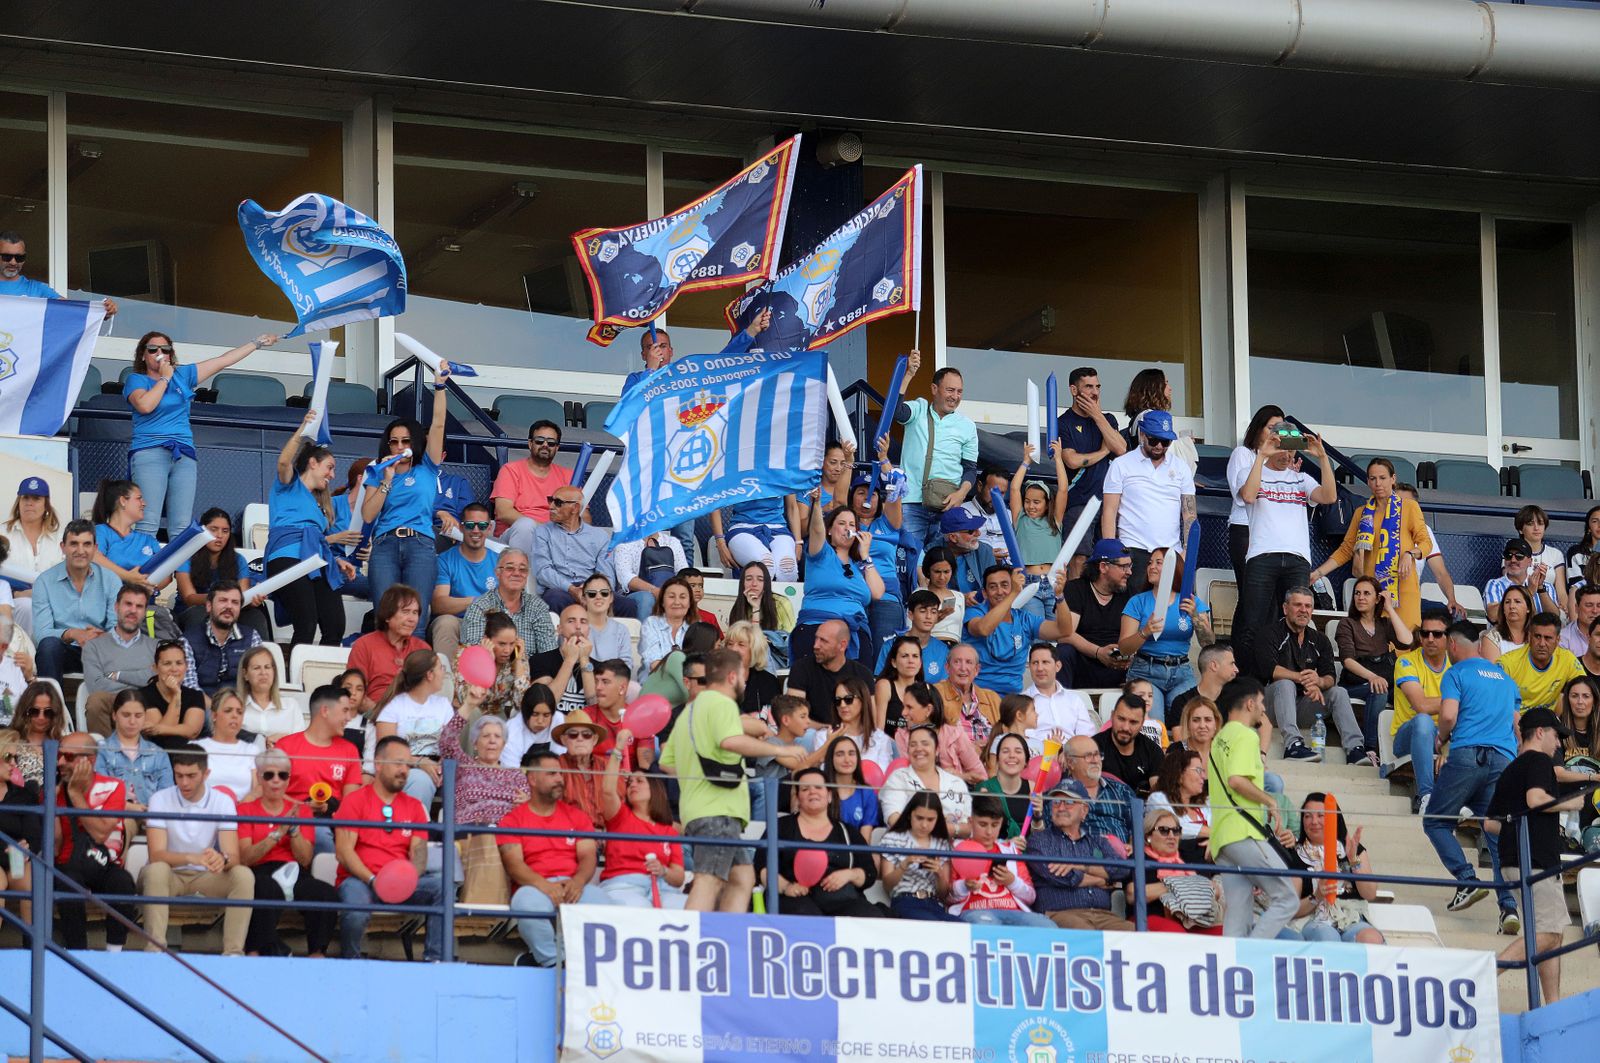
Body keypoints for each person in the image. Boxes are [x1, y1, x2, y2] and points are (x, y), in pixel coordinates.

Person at [659, 648, 802, 912]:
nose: (746, 683)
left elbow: (666, 763)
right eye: (745, 676)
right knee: (708, 880)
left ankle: (727, 938)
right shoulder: (722, 703)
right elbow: (730, 741)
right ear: (734, 676)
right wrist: (780, 749)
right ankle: (688, 946)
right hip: (718, 811)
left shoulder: (689, 711)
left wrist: (698, 782)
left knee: (742, 878)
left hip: (700, 811)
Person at [123, 330, 277, 536]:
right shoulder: (137, 379)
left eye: (165, 349)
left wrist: (256, 343)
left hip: (183, 454)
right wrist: (165, 379)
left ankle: (181, 570)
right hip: (150, 452)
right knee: (147, 523)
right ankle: (143, 569)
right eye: (153, 349)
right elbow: (145, 405)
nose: (159, 353)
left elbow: (223, 361)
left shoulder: (183, 375)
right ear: (143, 355)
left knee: (181, 527)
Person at [1426, 621, 1521, 932]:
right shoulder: (1507, 681)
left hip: (1469, 754)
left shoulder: (1456, 673)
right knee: (1494, 835)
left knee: (1436, 820)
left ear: (1453, 645)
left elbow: (1449, 714)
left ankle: (1467, 880)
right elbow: (1518, 727)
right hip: (1504, 761)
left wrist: (1441, 738)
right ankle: (1509, 909)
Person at [1487, 707, 1584, 1001]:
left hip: (1515, 861)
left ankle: (1551, 1006)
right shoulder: (1540, 760)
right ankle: (1482, 976)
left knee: (1553, 934)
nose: (1559, 744)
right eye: (1556, 736)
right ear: (1540, 733)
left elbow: (1490, 824)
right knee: (1549, 935)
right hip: (1536, 862)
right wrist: (1571, 803)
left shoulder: (1511, 769)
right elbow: (1535, 799)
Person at [1231, 420, 1337, 656]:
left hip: (1297, 558)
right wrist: (1261, 456)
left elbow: (1329, 496)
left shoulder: (1302, 479)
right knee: (1253, 621)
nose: (1287, 454)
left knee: (1295, 623)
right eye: (1281, 446)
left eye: (1291, 447)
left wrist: (1322, 458)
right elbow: (1248, 496)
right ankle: (1249, 681)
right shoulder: (1248, 472)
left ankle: (1287, 676)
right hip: (1261, 555)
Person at [335, 735, 445, 962]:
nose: (404, 770)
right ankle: (350, 963)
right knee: (354, 908)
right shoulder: (355, 800)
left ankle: (435, 963)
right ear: (378, 764)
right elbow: (344, 853)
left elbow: (419, 854)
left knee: (440, 887)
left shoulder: (414, 806)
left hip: (400, 885)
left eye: (407, 764)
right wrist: (375, 880)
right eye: (397, 763)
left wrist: (404, 880)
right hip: (362, 880)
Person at [1206, 677, 1299, 939]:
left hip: (1222, 838)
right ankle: (1250, 956)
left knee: (1238, 915)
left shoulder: (1220, 737)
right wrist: (1270, 801)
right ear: (1249, 704)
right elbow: (1236, 780)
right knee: (1287, 899)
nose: (1264, 709)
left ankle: (1232, 968)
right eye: (1261, 703)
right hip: (1243, 832)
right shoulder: (1247, 735)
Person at [140, 745, 254, 955]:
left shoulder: (223, 801)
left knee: (243, 875)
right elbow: (156, 855)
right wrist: (191, 857)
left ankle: (233, 953)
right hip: (169, 876)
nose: (184, 782)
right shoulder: (160, 799)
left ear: (206, 773)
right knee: (157, 870)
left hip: (204, 875)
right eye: (179, 775)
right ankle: (155, 950)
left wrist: (222, 859)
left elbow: (233, 856)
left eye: (191, 776)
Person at [363, 368, 452, 636]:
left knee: (417, 619)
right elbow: (368, 515)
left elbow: (438, 425)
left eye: (405, 441)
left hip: (421, 544)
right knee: (385, 617)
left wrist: (439, 387)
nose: (400, 446)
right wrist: (386, 480)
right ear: (387, 445)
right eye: (394, 442)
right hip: (385, 545)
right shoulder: (377, 471)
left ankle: (414, 677)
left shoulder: (426, 467)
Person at [265, 419, 358, 648]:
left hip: (316, 561)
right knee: (306, 622)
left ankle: (327, 682)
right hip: (286, 557)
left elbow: (314, 542)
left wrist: (335, 560)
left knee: (335, 623)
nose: (333, 475)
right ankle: (295, 676)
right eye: (330, 467)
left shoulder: (319, 504)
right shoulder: (289, 484)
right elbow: (284, 461)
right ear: (313, 463)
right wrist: (302, 430)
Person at [1310, 458, 1432, 631]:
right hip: (1372, 592)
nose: (1378, 483)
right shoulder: (1362, 512)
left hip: (1403, 590)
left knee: (1405, 643)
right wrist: (1319, 573)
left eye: (1382, 478)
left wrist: (1410, 554)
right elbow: (1346, 549)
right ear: (1367, 481)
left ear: (1393, 479)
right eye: (1373, 479)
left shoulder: (1409, 507)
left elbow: (1426, 543)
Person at [237, 747, 338, 957]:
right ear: (259, 778)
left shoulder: (302, 811)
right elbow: (246, 858)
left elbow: (305, 858)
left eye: (282, 775)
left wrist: (293, 830)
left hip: (294, 870)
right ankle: (257, 951)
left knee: (325, 894)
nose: (276, 780)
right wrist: (276, 833)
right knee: (265, 889)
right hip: (261, 870)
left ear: (288, 779)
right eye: (269, 775)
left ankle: (317, 954)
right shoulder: (245, 810)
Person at [1252, 586, 1369, 765]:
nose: (1303, 610)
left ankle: (1355, 749)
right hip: (1268, 708)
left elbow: (1330, 676)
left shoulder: (1320, 639)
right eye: (1298, 605)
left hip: (1302, 706)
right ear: (1285, 608)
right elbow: (1269, 670)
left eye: (1307, 606)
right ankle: (1293, 745)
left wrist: (1319, 682)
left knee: (1339, 692)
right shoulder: (1270, 633)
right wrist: (1301, 678)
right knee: (1285, 684)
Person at [52, 733, 139, 952]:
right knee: (67, 883)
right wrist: (52, 802)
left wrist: (75, 794)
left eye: (68, 757)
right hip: (68, 865)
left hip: (101, 862)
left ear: (89, 761)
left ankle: (113, 954)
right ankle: (78, 954)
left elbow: (101, 833)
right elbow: (55, 845)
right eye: (59, 755)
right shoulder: (52, 793)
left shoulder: (114, 786)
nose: (60, 762)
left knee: (123, 881)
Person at [1100, 410, 1196, 595]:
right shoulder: (1122, 464)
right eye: (1154, 440)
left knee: (1175, 612)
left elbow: (1189, 514)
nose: (1159, 446)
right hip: (1133, 550)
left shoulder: (1181, 467)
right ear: (1142, 434)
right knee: (1133, 613)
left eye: (1166, 441)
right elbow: (1109, 512)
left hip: (1171, 551)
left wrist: (1187, 552)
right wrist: (1113, 553)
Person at [891, 353, 979, 549]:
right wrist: (908, 375)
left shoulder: (968, 425)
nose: (955, 396)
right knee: (910, 561)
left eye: (959, 391)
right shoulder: (919, 409)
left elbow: (970, 469)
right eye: (950, 390)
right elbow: (895, 411)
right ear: (934, 389)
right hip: (912, 502)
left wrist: (961, 494)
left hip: (948, 506)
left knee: (941, 566)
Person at [770, 768, 884, 917]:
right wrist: (786, 887)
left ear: (829, 796)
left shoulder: (848, 832)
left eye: (818, 787)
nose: (812, 792)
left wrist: (850, 874)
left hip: (844, 899)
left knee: (873, 917)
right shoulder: (780, 827)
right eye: (805, 789)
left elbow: (869, 873)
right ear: (797, 798)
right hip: (795, 899)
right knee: (806, 916)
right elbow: (763, 867)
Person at [1116, 547, 1212, 721]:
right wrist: (1144, 632)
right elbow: (1123, 648)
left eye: (1159, 563)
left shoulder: (1191, 601)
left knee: (1190, 720)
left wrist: (1195, 617)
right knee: (1154, 724)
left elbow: (1208, 643)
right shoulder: (1138, 601)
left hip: (1181, 672)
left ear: (1173, 568)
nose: (1151, 566)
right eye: (1150, 563)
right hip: (1146, 671)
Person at [794, 489, 884, 664]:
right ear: (829, 530)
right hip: (816, 627)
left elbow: (878, 593)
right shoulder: (821, 553)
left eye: (852, 525)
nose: (848, 528)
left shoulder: (859, 566)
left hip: (854, 634)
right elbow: (817, 529)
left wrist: (865, 555)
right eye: (842, 523)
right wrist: (817, 504)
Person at [1283, 793, 1385, 945]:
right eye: (1308, 816)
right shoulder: (1295, 855)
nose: (1314, 821)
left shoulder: (1352, 849)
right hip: (1314, 919)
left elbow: (1369, 893)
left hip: (1351, 918)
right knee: (1327, 938)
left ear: (1333, 819)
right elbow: (1293, 909)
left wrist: (1353, 861)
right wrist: (1317, 896)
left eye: (1321, 816)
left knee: (1372, 938)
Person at [596, 741, 686, 909]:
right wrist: (618, 749)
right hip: (623, 885)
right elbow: (608, 791)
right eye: (630, 783)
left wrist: (663, 870)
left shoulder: (669, 831)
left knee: (683, 908)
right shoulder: (620, 816)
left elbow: (679, 877)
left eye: (639, 781)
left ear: (654, 788)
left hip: (663, 888)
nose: (632, 785)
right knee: (639, 910)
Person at [275, 685, 364, 853]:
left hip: (332, 823)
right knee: (318, 833)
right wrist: (305, 806)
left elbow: (351, 803)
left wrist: (330, 809)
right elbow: (272, 792)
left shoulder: (349, 750)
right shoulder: (286, 746)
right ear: (325, 711)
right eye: (344, 710)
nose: (348, 717)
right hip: (291, 821)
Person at [964, 565, 1074, 696]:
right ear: (984, 593)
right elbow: (983, 629)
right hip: (979, 696)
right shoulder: (975, 613)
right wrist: (1013, 594)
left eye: (1005, 585)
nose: (999, 591)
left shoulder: (1024, 619)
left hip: (1013, 700)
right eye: (993, 587)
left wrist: (1059, 595)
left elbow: (1064, 630)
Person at [1336, 576, 1415, 756]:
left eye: (1366, 593)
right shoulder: (1347, 624)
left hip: (1382, 682)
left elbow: (1407, 641)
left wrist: (1389, 609)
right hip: (1353, 685)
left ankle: (1406, 747)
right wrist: (1372, 677)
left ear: (1377, 598)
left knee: (1409, 692)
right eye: (1357, 593)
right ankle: (1370, 749)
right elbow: (1347, 660)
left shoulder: (1384, 624)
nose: (1360, 597)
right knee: (1379, 689)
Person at [32, 518, 119, 681]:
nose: (80, 550)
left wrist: (101, 637)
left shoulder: (111, 580)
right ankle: (51, 705)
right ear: (63, 547)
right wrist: (73, 633)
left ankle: (112, 705)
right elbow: (41, 634)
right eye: (74, 544)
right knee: (48, 646)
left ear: (95, 548)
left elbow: (116, 626)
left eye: (86, 544)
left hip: (100, 650)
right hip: (65, 651)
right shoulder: (44, 582)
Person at [946, 795, 1052, 927]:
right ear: (970, 821)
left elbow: (1030, 897)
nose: (989, 831)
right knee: (987, 925)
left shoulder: (1011, 850)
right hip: (974, 912)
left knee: (1046, 926)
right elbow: (947, 897)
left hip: (1015, 913)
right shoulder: (957, 849)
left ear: (1001, 822)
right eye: (983, 824)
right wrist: (965, 886)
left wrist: (1012, 881)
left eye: (995, 825)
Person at [1055, 366, 1128, 547]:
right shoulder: (1063, 422)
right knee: (1078, 558)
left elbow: (1121, 449)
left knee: (1109, 560)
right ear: (1074, 390)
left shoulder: (1108, 419)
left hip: (1109, 503)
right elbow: (1072, 461)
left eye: (1097, 387)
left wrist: (1097, 416)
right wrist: (1104, 452)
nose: (1095, 392)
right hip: (1079, 501)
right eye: (1088, 387)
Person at [848, 453, 910, 658]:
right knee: (858, 656)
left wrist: (884, 459)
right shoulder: (843, 522)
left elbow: (895, 493)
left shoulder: (888, 524)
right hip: (853, 593)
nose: (867, 498)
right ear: (852, 497)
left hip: (886, 596)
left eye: (872, 494)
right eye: (861, 492)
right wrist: (848, 458)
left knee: (886, 657)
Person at [1392, 611, 1453, 815]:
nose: (1429, 639)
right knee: (1423, 720)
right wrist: (1458, 701)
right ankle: (1426, 796)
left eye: (1436, 634)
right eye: (1424, 633)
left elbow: (1468, 713)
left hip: (1444, 735)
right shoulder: (1406, 662)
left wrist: (1447, 748)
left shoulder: (1457, 667)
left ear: (1449, 637)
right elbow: (1422, 706)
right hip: (1406, 737)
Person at [375, 649, 453, 808]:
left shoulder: (443, 705)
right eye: (440, 668)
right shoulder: (394, 708)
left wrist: (443, 766)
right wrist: (419, 762)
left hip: (437, 767)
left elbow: (450, 746)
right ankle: (414, 829)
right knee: (420, 780)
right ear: (429, 675)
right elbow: (386, 752)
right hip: (403, 767)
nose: (443, 673)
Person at [174, 508, 266, 640]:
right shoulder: (186, 556)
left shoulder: (238, 559)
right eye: (213, 529)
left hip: (227, 611)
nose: (219, 535)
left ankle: (259, 658)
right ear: (203, 530)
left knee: (254, 615)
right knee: (199, 613)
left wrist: (253, 600)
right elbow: (189, 598)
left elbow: (243, 595)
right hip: (192, 611)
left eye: (225, 531)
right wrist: (218, 598)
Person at [82, 583, 159, 734]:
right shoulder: (93, 646)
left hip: (146, 706)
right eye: (128, 604)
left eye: (139, 606)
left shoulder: (156, 647)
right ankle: (106, 755)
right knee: (96, 701)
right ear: (116, 607)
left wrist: (116, 675)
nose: (132, 610)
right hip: (111, 703)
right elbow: (96, 684)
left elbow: (156, 682)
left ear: (144, 612)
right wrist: (137, 683)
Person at [1059, 538, 1135, 690]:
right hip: (1083, 662)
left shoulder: (1129, 593)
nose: (1129, 572)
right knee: (1063, 650)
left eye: (1130, 565)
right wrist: (1098, 652)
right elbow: (1065, 633)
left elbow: (1133, 636)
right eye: (1123, 566)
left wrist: (1129, 655)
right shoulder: (1076, 589)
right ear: (1103, 567)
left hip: (1118, 664)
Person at [1135, 807, 1224, 935]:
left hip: (1193, 920)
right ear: (1148, 835)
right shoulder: (1140, 857)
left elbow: (1212, 891)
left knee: (1223, 933)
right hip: (1150, 917)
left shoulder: (1188, 853)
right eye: (1164, 831)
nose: (1171, 836)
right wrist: (1181, 885)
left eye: (1176, 831)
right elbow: (1132, 893)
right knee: (1176, 933)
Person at [429, 501, 499, 663]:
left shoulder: (500, 561)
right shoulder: (445, 560)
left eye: (482, 525)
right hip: (457, 622)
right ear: (460, 527)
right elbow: (439, 603)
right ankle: (448, 683)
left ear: (489, 528)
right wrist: (478, 601)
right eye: (470, 525)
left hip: (490, 624)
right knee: (445, 622)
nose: (476, 530)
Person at [531, 485, 617, 614]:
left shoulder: (600, 536)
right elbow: (543, 571)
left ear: (575, 508)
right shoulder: (542, 532)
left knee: (627, 605)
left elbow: (606, 575)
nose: (551, 506)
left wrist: (591, 590)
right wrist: (571, 589)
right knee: (555, 598)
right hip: (559, 588)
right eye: (551, 500)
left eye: (558, 503)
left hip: (591, 588)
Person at [1225, 404, 1287, 582]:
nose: (1276, 433)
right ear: (1258, 428)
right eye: (1271, 428)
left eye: (1280, 429)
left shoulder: (1281, 462)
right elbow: (1243, 498)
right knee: (1249, 591)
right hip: (1245, 528)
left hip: (1271, 531)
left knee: (1269, 596)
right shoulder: (1243, 454)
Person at [459, 549, 559, 658]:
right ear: (497, 573)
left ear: (527, 575)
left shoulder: (537, 607)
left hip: (532, 672)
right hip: (490, 670)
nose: (517, 573)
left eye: (522, 569)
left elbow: (549, 655)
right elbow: (473, 656)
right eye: (510, 568)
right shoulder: (479, 607)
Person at [347, 586, 432, 714]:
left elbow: (429, 694)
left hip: (414, 722)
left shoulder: (423, 649)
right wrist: (384, 717)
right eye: (405, 611)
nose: (412, 619)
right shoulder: (364, 645)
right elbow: (355, 694)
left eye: (415, 613)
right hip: (373, 717)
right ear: (387, 616)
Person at [880, 723, 974, 837]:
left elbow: (970, 827)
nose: (919, 749)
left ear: (937, 749)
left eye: (925, 744)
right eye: (913, 745)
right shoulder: (897, 779)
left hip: (953, 849)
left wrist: (951, 829)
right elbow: (893, 819)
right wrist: (941, 828)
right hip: (910, 848)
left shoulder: (956, 783)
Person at [876, 791, 957, 921]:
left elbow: (943, 895)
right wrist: (905, 864)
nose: (924, 825)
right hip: (904, 901)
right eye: (919, 818)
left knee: (961, 927)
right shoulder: (892, 839)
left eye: (930, 819)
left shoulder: (942, 843)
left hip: (934, 903)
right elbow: (887, 886)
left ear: (938, 819)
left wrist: (939, 874)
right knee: (933, 924)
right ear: (909, 815)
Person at [3, 476, 64, 638]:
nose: (29, 503)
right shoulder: (3, 534)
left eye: (36, 498)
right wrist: (16, 594)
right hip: (12, 603)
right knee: (27, 606)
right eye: (25, 498)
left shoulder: (59, 539)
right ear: (19, 502)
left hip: (52, 602)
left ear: (46, 505)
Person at [493, 420, 573, 541]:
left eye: (551, 443)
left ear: (557, 448)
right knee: (525, 526)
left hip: (558, 536)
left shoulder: (568, 475)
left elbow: (584, 516)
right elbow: (503, 512)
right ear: (530, 444)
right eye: (540, 441)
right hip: (516, 535)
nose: (545, 445)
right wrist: (544, 530)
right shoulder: (510, 470)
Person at [786, 618, 874, 728]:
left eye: (823, 641)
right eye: (816, 638)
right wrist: (831, 731)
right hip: (813, 734)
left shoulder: (862, 674)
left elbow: (871, 718)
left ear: (842, 645)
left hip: (854, 736)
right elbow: (795, 717)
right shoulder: (801, 669)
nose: (816, 645)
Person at [893, 680, 985, 783]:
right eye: (904, 706)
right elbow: (905, 777)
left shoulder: (954, 734)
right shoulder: (902, 736)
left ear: (928, 710)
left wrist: (959, 776)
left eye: (909, 707)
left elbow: (981, 775)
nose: (903, 713)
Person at [180, 582, 262, 698]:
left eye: (235, 602)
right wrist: (216, 711)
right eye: (223, 600)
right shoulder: (187, 641)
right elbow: (190, 688)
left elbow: (258, 681)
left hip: (242, 708)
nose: (229, 606)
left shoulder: (252, 637)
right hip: (203, 710)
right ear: (209, 606)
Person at [94, 689, 172, 807]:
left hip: (152, 817)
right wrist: (130, 808)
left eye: (138, 716)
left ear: (145, 716)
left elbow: (167, 796)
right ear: (114, 715)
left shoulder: (159, 754)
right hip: (116, 817)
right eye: (126, 715)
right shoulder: (100, 750)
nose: (132, 721)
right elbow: (100, 794)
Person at [1498, 613, 1585, 713]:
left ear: (1557, 640)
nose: (1542, 644)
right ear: (1529, 637)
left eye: (1548, 638)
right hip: (1514, 721)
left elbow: (1585, 687)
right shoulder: (1508, 663)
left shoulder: (1567, 659)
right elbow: (1495, 702)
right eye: (1537, 636)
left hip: (1549, 723)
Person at [1061, 734, 1135, 847]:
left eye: (1097, 755)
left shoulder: (1121, 791)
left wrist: (1133, 845)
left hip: (1122, 860)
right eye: (1088, 756)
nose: (1095, 760)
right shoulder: (1058, 796)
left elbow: (1140, 827)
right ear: (1071, 762)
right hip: (1080, 859)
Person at [712, 493, 801, 583]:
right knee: (765, 565)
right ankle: (753, 596)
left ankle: (776, 597)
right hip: (742, 528)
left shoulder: (785, 477)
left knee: (788, 569)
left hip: (778, 528)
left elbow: (792, 507)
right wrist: (720, 542)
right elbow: (715, 501)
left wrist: (798, 542)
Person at [1021, 642, 1096, 745]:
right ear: (1029, 666)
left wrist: (1067, 752)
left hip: (1071, 756)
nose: (1040, 668)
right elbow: (1023, 739)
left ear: (1057, 666)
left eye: (1045, 662)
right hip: (1037, 757)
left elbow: (1086, 736)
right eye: (1035, 663)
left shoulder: (1074, 700)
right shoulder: (1021, 702)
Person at [196, 690, 265, 801]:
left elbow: (257, 789)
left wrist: (238, 809)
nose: (234, 716)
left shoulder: (252, 750)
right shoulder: (197, 748)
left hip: (242, 814)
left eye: (239, 712)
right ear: (214, 715)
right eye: (228, 711)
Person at [532, 604, 598, 718]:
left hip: (583, 731)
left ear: (589, 630)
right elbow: (544, 705)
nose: (578, 626)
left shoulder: (598, 666)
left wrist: (584, 659)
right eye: (571, 621)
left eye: (583, 622)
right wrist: (569, 660)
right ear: (559, 629)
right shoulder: (540, 660)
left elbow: (595, 706)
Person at [934, 643, 1001, 754]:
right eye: (957, 662)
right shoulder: (935, 693)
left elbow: (1007, 735)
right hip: (952, 761)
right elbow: (929, 736)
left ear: (976, 670)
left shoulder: (992, 698)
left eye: (969, 662)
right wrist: (967, 747)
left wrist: (987, 746)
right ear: (947, 667)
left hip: (990, 761)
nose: (963, 668)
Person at [1146, 745, 1211, 861]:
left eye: (1203, 771)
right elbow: (1173, 829)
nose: (1203, 776)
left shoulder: (1206, 802)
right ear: (1179, 774)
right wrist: (1215, 835)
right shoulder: (1158, 799)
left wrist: (1214, 840)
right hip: (1175, 861)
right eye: (1198, 770)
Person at [1094, 692, 1165, 796]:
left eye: (1133, 722)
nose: (1126, 727)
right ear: (1112, 716)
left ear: (1142, 724)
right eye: (1121, 719)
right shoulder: (1093, 747)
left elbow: (1159, 795)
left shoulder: (1153, 751)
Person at [872, 589, 948, 685]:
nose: (928, 616)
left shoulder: (943, 649)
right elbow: (880, 683)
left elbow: (944, 686)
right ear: (910, 614)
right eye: (923, 611)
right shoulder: (891, 646)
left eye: (933, 612)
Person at [140, 640, 207, 748]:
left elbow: (192, 731)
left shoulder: (195, 696)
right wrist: (176, 695)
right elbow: (161, 738)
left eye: (179, 663)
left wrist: (161, 728)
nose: (174, 669)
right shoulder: (143, 695)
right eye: (167, 663)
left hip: (186, 757)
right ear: (155, 668)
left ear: (186, 666)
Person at [1485, 536, 1562, 627]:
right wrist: (1528, 592)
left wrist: (1540, 588)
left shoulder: (1546, 587)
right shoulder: (1494, 584)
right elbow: (1493, 616)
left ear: (1530, 561)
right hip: (1503, 637)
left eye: (1519, 556)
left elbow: (1554, 619)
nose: (1513, 560)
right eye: (1508, 556)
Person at [827, 675, 896, 774]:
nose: (842, 705)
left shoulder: (880, 738)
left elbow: (883, 776)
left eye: (848, 699)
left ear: (863, 700)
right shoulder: (826, 736)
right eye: (837, 701)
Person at [472, 612, 534, 720]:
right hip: (470, 714)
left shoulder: (518, 658)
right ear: (486, 639)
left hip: (498, 718)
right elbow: (469, 698)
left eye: (512, 644)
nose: (507, 650)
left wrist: (518, 662)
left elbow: (522, 704)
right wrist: (487, 664)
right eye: (502, 644)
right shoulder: (468, 657)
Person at [973, 731, 1033, 839]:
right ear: (997, 759)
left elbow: (1039, 834)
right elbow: (978, 834)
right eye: (1005, 751)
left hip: (1027, 852)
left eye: (1018, 751)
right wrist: (1007, 846)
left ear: (1026, 761)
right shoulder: (985, 789)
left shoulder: (1033, 788)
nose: (1012, 755)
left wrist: (1038, 816)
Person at [1514, 505, 1569, 621]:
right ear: (1520, 529)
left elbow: (1561, 592)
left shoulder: (1555, 554)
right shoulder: (1512, 554)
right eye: (1530, 524)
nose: (1536, 528)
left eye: (1540, 523)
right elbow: (1511, 583)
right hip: (1522, 609)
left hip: (1550, 609)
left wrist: (1564, 608)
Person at [236, 645, 298, 741]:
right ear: (245, 674)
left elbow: (299, 744)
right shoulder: (235, 707)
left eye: (267, 667)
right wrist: (264, 741)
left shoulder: (291, 705)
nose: (263, 672)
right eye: (256, 668)